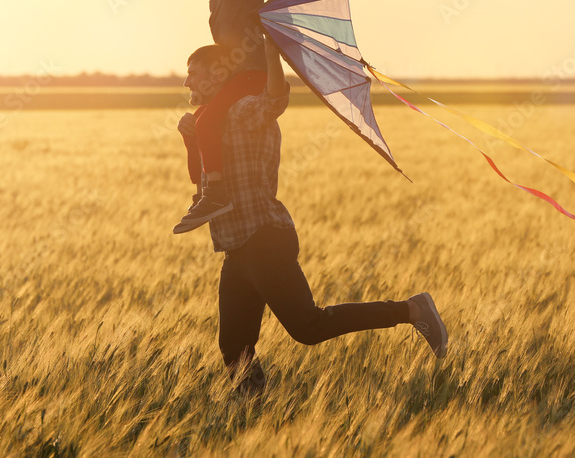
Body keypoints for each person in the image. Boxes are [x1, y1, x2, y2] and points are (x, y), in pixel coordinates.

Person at [179, 37, 448, 395]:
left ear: (217, 73)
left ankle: (412, 310)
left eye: (193, 74)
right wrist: (189, 140)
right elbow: (204, 191)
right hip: (236, 247)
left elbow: (274, 99)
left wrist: (273, 54)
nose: (187, 83)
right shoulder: (205, 124)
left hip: (263, 237)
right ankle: (252, 413)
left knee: (308, 327)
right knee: (234, 345)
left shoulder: (242, 111)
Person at [151, 0, 269, 233]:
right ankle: (203, 190)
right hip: (232, 80)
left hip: (252, 77)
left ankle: (217, 193)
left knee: (205, 122)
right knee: (196, 124)